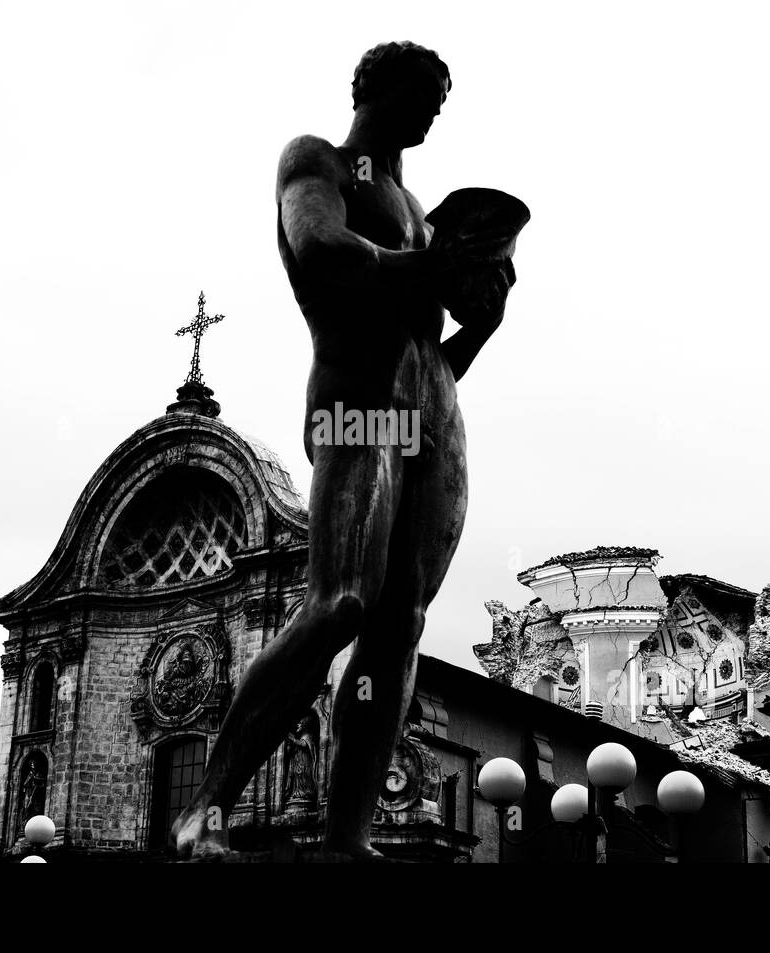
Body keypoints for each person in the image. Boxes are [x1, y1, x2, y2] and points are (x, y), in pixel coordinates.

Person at [173, 41, 518, 859]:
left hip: (433, 411)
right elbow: (324, 253)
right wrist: (432, 264)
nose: (435, 105)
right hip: (360, 408)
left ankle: (346, 839)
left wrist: (482, 314)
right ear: (375, 87)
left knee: (400, 623)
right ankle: (204, 816)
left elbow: (427, 339)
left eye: (443, 95)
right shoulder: (317, 161)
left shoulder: (419, 205)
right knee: (342, 603)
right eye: (424, 90)